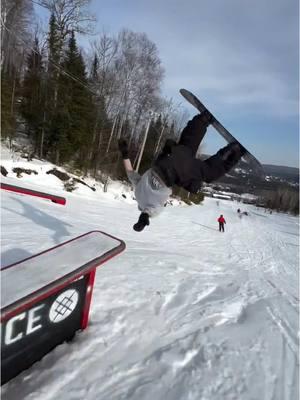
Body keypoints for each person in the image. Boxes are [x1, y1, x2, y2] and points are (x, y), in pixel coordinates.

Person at [118, 111, 246, 232]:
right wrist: (124, 153)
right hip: (166, 159)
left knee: (208, 173)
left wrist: (143, 220)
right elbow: (130, 172)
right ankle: (202, 119)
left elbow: (148, 213)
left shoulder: (151, 207)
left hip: (176, 171)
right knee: (186, 146)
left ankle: (235, 151)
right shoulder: (138, 190)